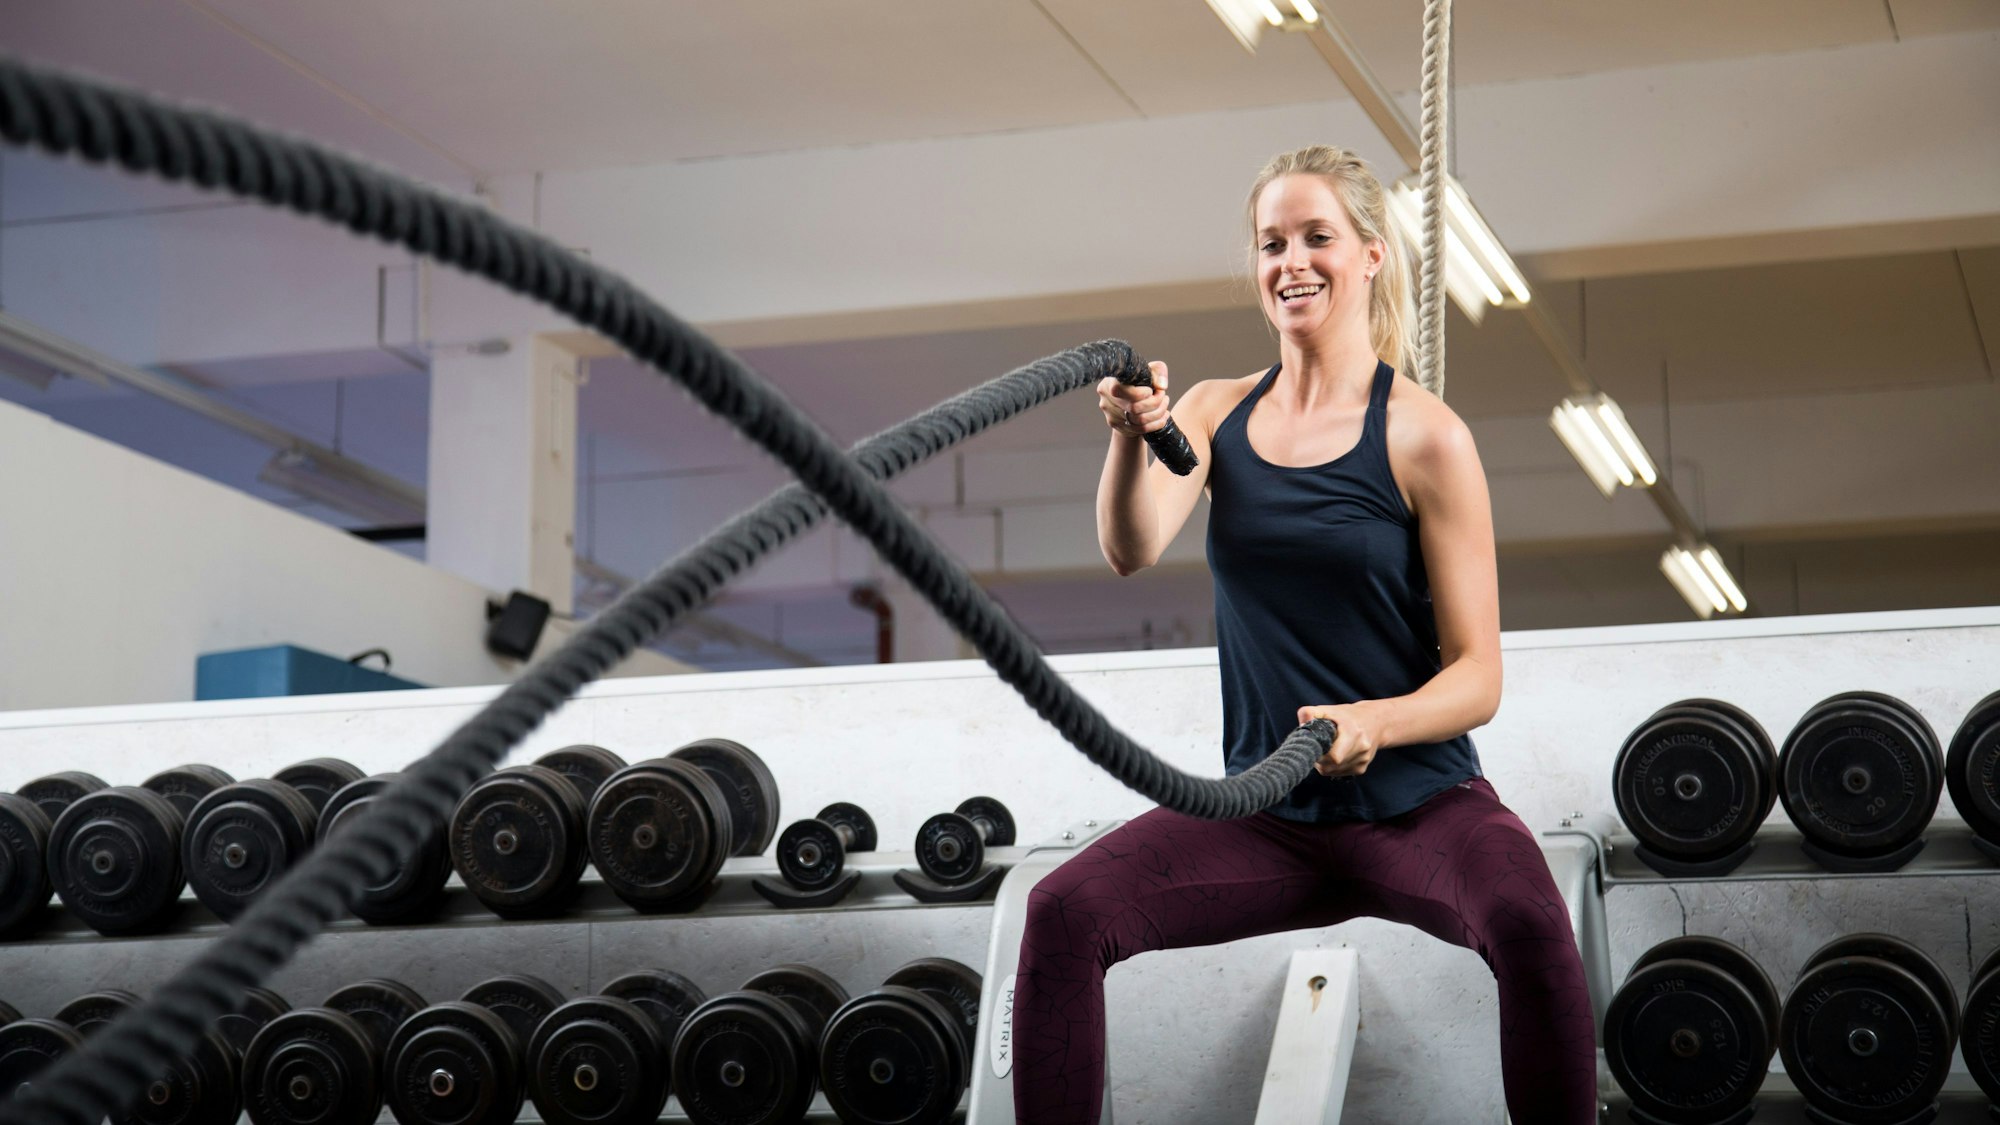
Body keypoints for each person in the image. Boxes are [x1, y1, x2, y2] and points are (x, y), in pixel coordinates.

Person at [1011, 146, 1597, 1123]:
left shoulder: (1425, 436)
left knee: (1531, 924)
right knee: (1061, 910)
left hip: (1419, 807)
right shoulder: (1212, 411)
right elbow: (1131, 546)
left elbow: (1478, 677)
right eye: (1270, 243)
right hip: (1265, 813)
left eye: (1315, 237)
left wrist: (1371, 723)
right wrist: (1125, 435)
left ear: (1369, 254)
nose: (1291, 262)